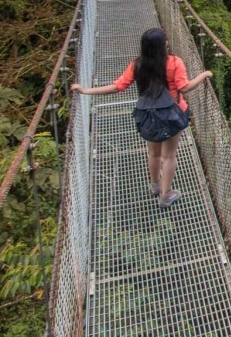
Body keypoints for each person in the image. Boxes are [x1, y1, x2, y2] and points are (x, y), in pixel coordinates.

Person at [71, 28, 211, 208]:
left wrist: (85, 91)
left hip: (149, 116)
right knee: (169, 156)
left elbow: (117, 87)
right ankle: (165, 195)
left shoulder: (137, 65)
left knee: (154, 153)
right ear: (163, 45)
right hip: (173, 115)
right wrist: (203, 75)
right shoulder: (175, 62)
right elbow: (184, 87)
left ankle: (155, 186)